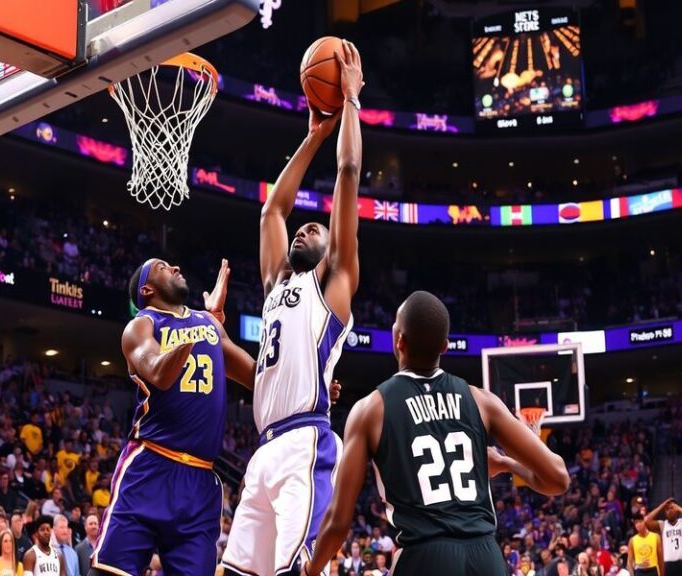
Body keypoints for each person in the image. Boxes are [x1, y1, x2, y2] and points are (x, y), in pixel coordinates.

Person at [302, 291, 570, 576]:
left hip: (425, 556)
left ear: (399, 340)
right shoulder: (481, 401)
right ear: (444, 346)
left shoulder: (370, 410)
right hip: (486, 557)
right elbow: (558, 478)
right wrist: (506, 463)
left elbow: (338, 522)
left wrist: (310, 569)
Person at [222, 39, 363, 576]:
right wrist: (312, 136)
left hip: (305, 440)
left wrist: (350, 102)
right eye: (302, 228)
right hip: (263, 450)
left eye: (315, 229)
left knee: (296, 571)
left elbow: (347, 172)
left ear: (331, 250)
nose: (304, 228)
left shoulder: (334, 282)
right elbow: (272, 212)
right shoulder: (278, 284)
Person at [88, 258, 258, 576]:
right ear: (147, 289)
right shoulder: (141, 325)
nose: (176, 268)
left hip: (200, 480)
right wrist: (196, 330)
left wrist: (311, 386)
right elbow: (159, 373)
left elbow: (256, 377)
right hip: (151, 467)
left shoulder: (208, 325)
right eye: (163, 267)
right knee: (109, 572)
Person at [646, 498, 682, 576]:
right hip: (668, 564)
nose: (669, 511)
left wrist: (679, 509)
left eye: (672, 508)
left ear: (676, 510)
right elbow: (647, 520)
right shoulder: (662, 524)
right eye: (667, 509)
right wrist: (662, 505)